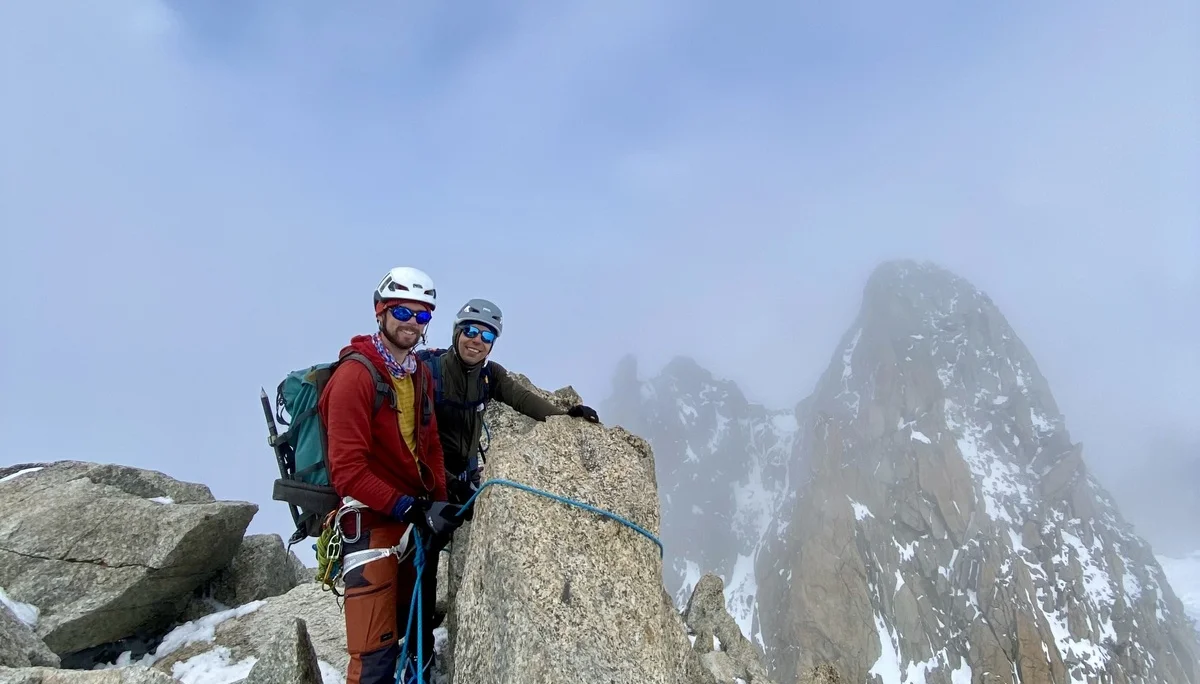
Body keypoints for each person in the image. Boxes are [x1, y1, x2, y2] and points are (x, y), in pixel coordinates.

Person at [318, 266, 463, 684]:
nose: (412, 324)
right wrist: (410, 507)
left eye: (422, 316)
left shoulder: (416, 373)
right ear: (380, 312)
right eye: (403, 312)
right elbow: (348, 471)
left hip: (411, 520)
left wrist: (436, 500)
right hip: (372, 524)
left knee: (413, 633)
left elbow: (430, 442)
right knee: (374, 657)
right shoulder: (355, 377)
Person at [420, 297, 601, 511]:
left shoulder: (490, 374)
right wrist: (453, 484)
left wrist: (565, 416)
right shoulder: (428, 372)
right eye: (470, 331)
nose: (477, 340)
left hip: (465, 475)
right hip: (430, 475)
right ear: (457, 332)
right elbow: (415, 443)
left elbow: (522, 399)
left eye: (487, 336)